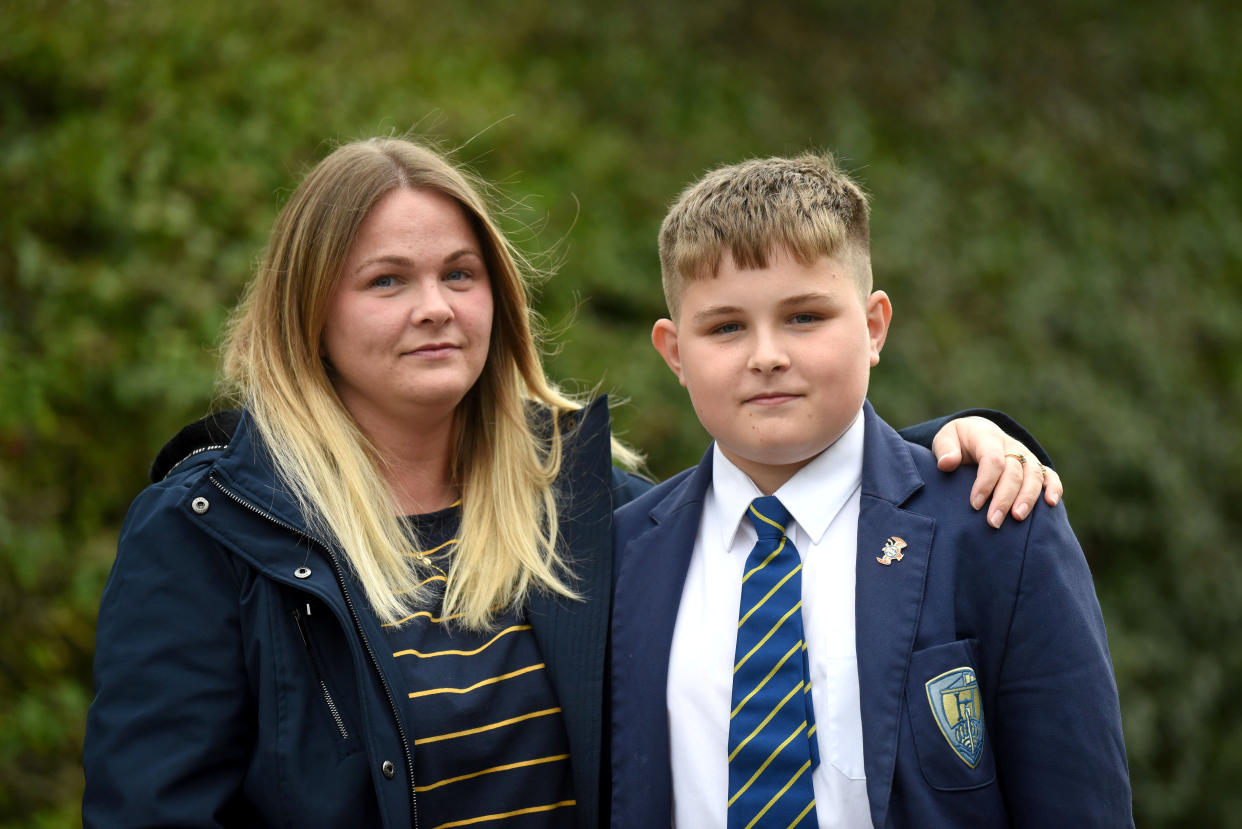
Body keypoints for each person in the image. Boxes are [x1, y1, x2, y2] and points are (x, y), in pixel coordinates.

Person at [82, 137, 1060, 829]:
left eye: (460, 275)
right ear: (311, 312)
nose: (435, 308)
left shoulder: (587, 513)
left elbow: (774, 493)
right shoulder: (212, 534)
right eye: (387, 280)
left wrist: (958, 446)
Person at [610, 153, 1132, 827]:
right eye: (726, 326)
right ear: (675, 352)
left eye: (804, 316)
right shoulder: (622, 559)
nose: (767, 354)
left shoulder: (996, 520)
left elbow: (1078, 804)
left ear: (874, 325)